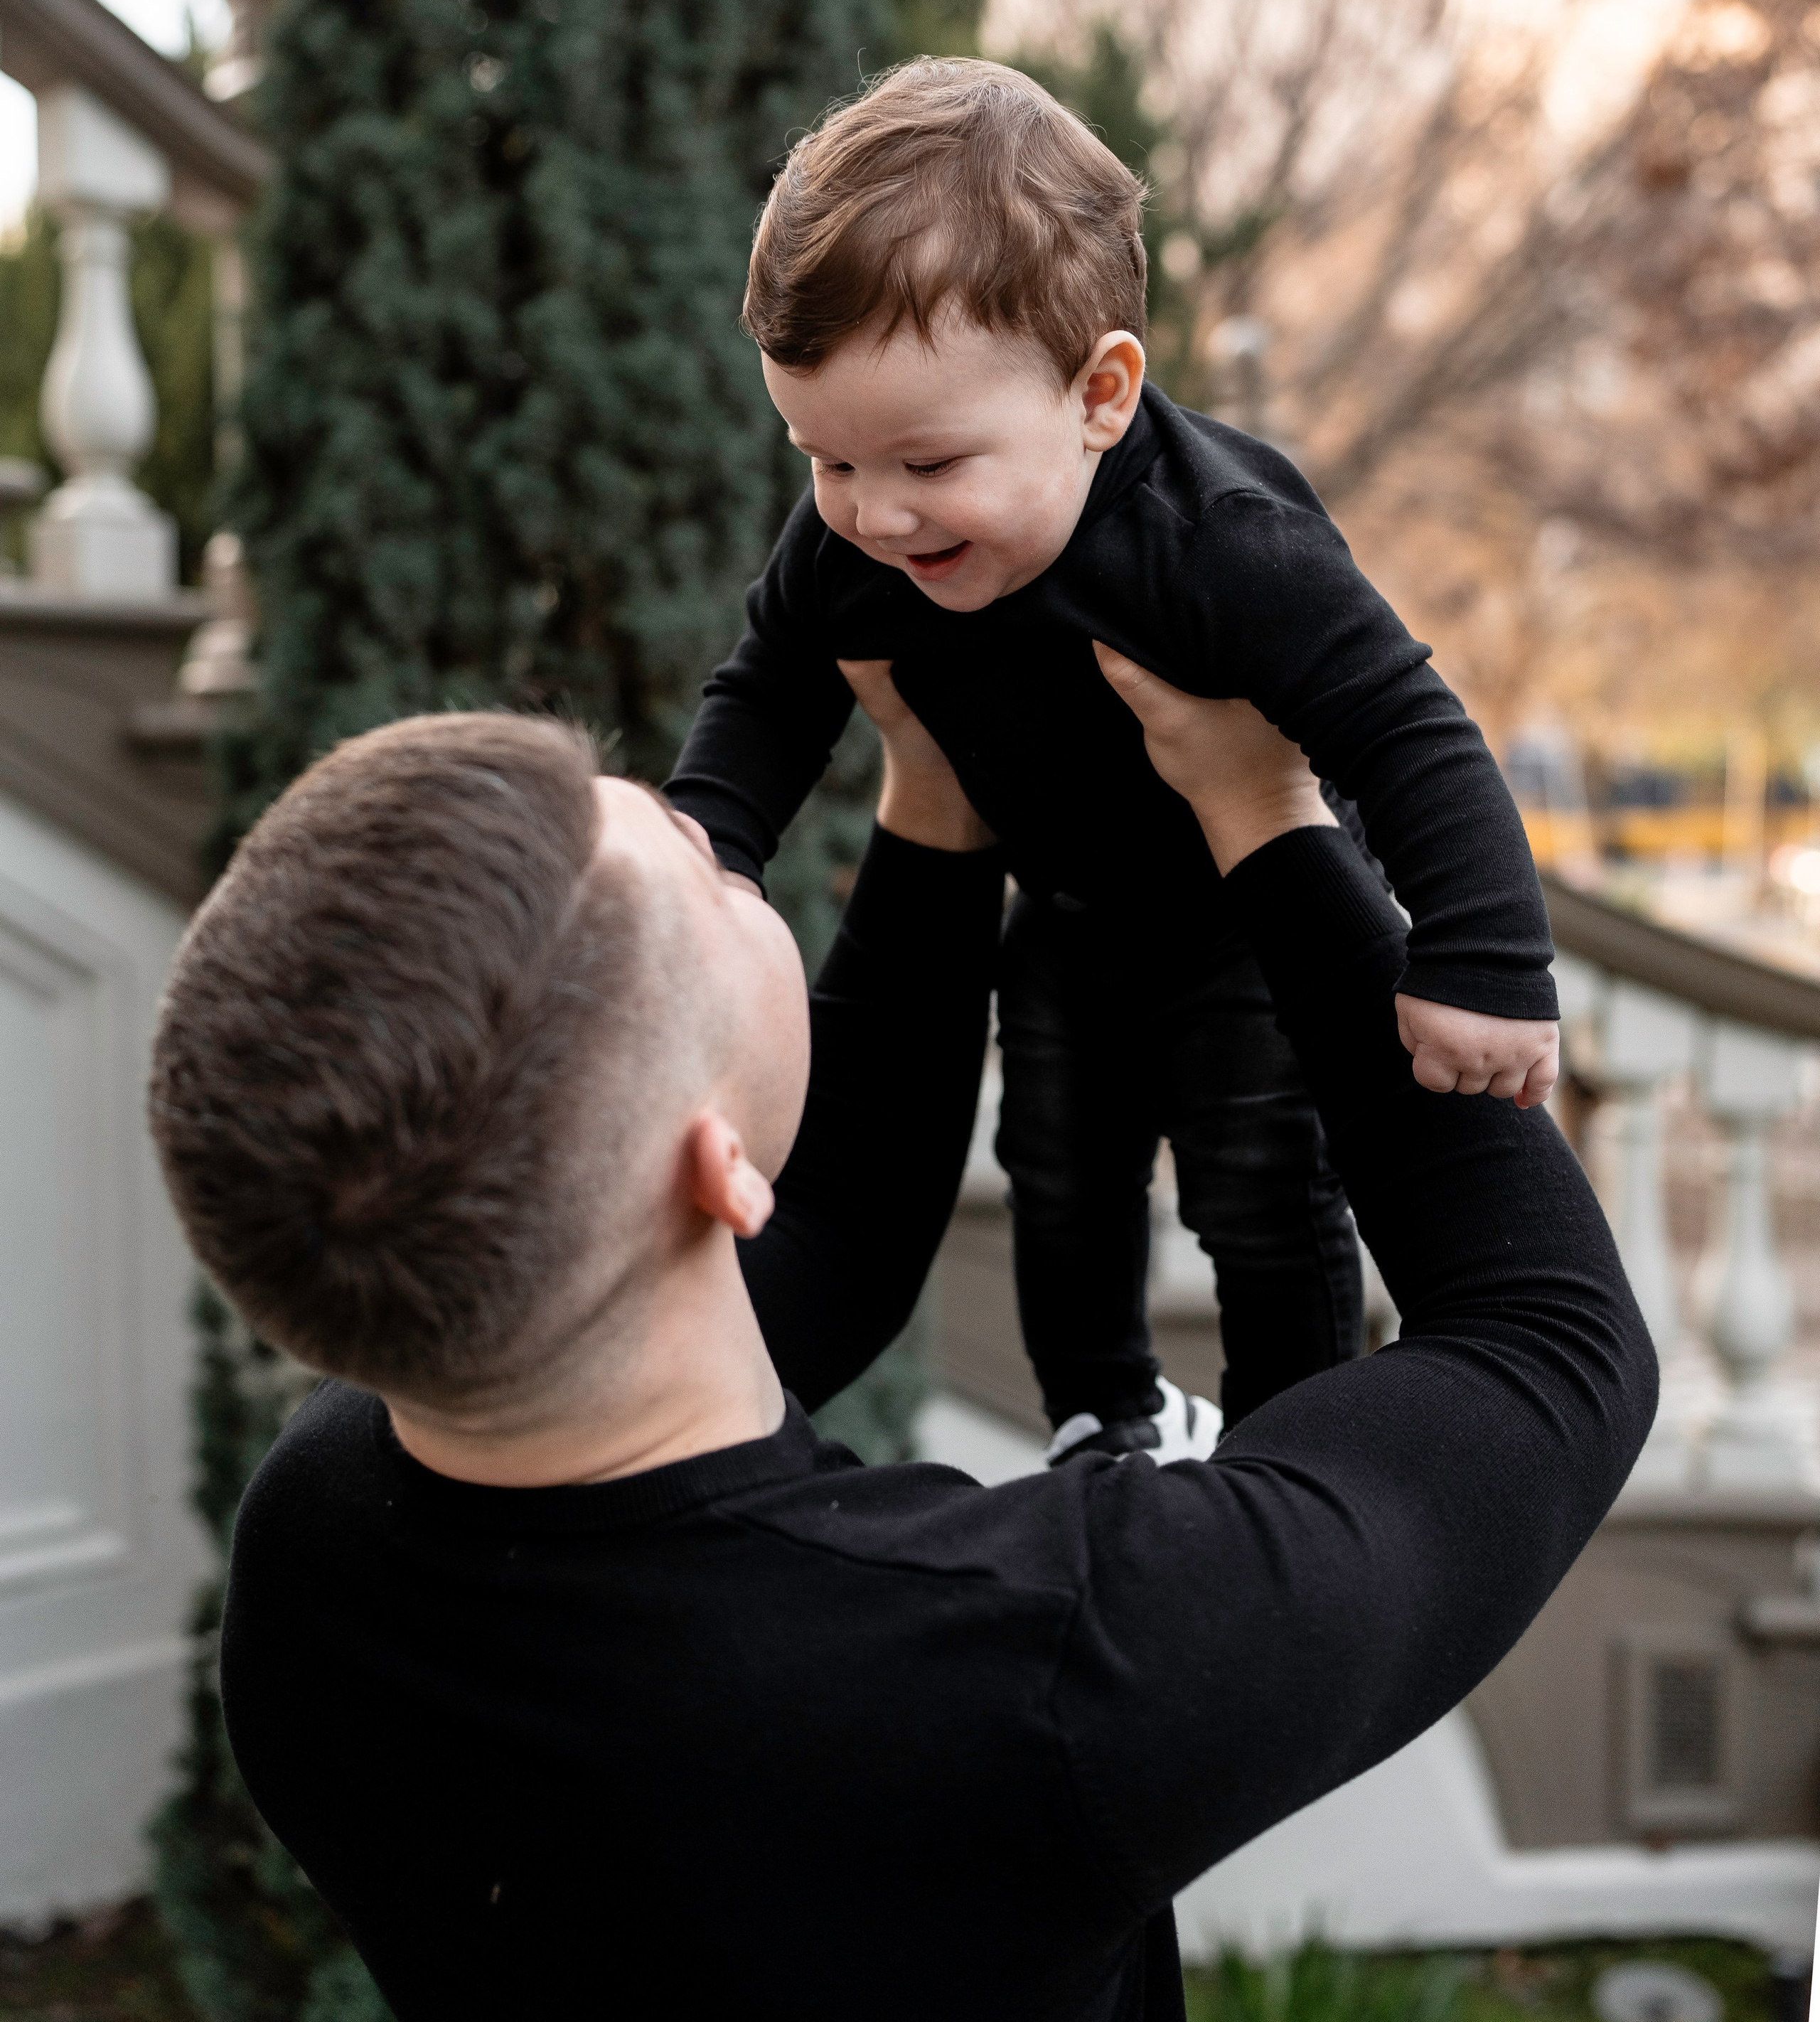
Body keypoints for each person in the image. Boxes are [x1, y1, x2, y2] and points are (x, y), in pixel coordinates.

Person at [147, 660, 1654, 2022]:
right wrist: (1267, 816)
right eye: (714, 873)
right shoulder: (1037, 1667)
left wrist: (930, 799)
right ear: (714, 1171)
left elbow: (821, 1256)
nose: (739, 862)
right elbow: (1550, 1349)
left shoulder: (320, 1545)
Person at [665, 57, 1563, 1461]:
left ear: (1098, 393)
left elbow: (1405, 726)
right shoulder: (850, 536)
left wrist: (1486, 959)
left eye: (925, 462)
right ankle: (1103, 1410)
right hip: (1069, 914)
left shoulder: (1221, 542)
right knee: (1057, 1172)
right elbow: (767, 692)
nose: (874, 516)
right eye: (824, 460)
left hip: (1243, 922)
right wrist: (702, 845)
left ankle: (1287, 1434)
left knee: (1262, 1184)